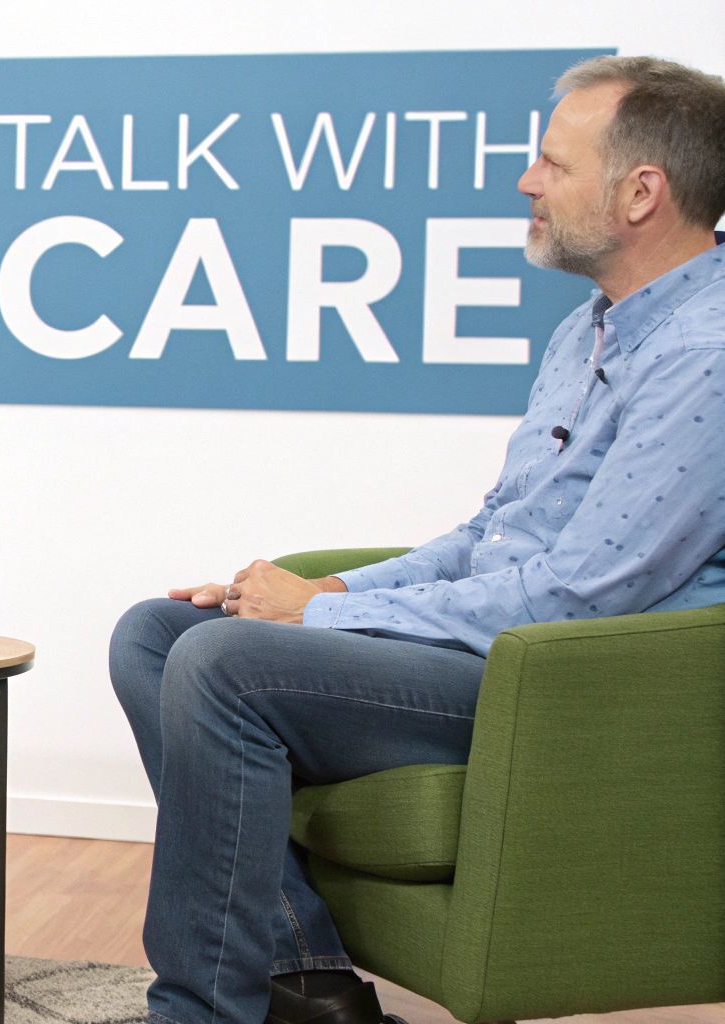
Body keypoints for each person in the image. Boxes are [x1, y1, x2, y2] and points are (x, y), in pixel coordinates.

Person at [108, 55, 725, 1024]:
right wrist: (342, 597)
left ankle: (198, 1012)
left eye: (549, 163)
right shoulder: (590, 331)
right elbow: (491, 530)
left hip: (563, 686)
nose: (525, 181)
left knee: (223, 665)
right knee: (156, 634)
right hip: (496, 649)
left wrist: (317, 612)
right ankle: (306, 984)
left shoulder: (704, 354)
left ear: (640, 191)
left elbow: (580, 595)